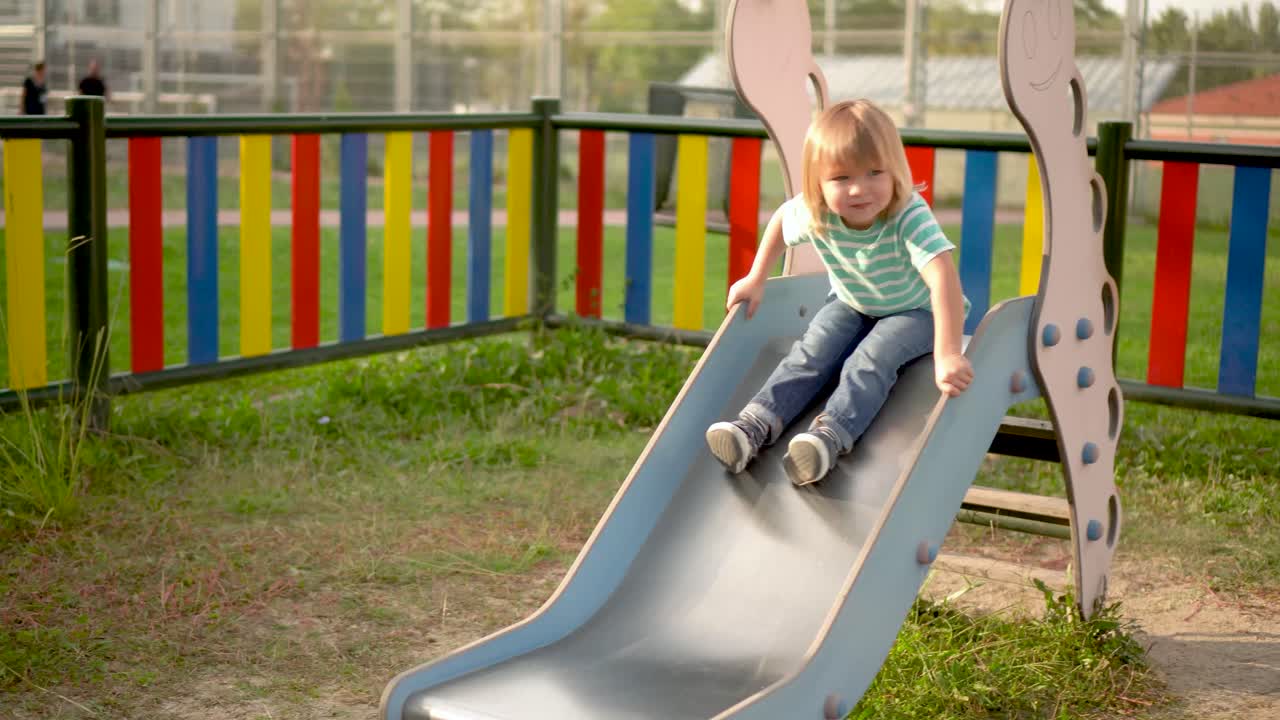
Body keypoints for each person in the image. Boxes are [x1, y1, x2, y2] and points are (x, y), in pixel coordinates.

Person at [705, 99, 974, 486]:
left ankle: (830, 436)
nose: (859, 189)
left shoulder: (907, 215)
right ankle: (754, 426)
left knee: (872, 357)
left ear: (895, 170)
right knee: (812, 350)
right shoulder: (819, 212)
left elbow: (942, 278)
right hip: (854, 301)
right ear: (818, 184)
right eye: (841, 178)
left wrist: (947, 353)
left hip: (916, 310)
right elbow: (782, 221)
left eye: (874, 172)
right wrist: (756, 277)